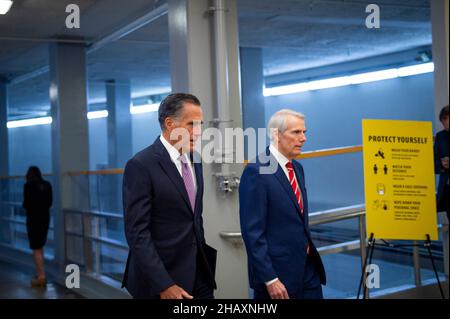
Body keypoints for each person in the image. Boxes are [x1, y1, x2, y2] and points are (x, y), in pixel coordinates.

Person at [122, 93, 217, 299]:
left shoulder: (195, 160)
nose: (198, 132)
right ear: (170, 124)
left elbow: (194, 219)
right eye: (192, 124)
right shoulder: (141, 165)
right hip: (161, 281)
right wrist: (164, 284)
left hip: (199, 275)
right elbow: (137, 232)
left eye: (200, 124)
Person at [239, 109, 326, 299]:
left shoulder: (297, 168)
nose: (303, 138)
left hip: (308, 271)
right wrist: (270, 279)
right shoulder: (257, 171)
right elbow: (252, 232)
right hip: (278, 279)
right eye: (296, 132)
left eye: (304, 132)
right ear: (276, 135)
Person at [22, 166, 52, 287]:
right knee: (40, 246)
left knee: (36, 247)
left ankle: (41, 276)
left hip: (33, 219)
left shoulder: (28, 186)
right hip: (45, 218)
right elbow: (50, 202)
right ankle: (41, 274)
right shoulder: (47, 185)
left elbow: (26, 204)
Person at [434, 105, 449, 219]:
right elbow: (433, 162)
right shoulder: (440, 137)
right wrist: (442, 165)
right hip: (447, 188)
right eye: (443, 121)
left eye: (446, 120)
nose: (444, 124)